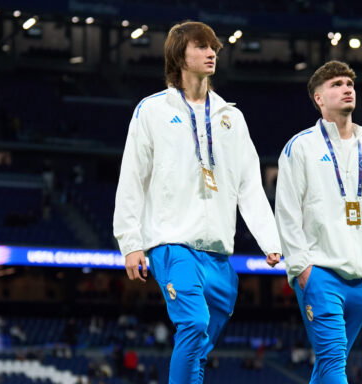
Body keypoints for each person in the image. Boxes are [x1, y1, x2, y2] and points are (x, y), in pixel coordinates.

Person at [113, 21, 281, 383]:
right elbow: (132, 178)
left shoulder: (231, 118)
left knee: (200, 344)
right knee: (193, 323)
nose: (211, 53)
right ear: (179, 55)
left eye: (213, 47)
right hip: (171, 243)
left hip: (219, 251)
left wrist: (270, 239)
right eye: (201, 47)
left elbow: (250, 184)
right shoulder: (152, 111)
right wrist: (130, 242)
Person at [275, 60, 362, 384]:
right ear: (319, 98)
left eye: (349, 83)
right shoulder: (301, 147)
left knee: (327, 367)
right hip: (320, 273)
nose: (347, 88)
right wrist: (301, 267)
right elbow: (287, 211)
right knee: (334, 363)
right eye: (336, 84)